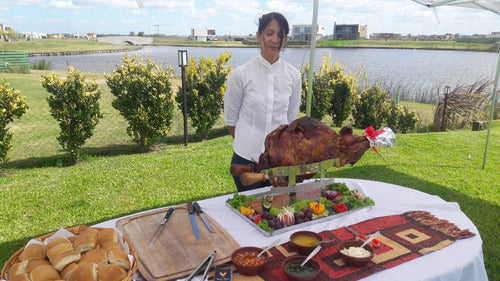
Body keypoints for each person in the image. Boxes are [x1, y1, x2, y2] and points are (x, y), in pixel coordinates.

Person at [224, 12, 302, 192]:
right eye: (269, 33)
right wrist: (250, 144)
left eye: (280, 35)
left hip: (279, 162)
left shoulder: (294, 76)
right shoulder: (241, 74)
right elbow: (230, 120)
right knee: (251, 214)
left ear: (285, 40)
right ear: (259, 36)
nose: (275, 39)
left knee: (280, 213)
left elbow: (290, 120)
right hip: (246, 162)